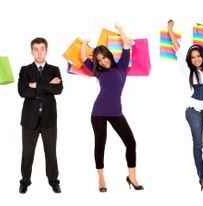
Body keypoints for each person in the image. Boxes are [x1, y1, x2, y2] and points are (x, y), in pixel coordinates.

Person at [80, 24, 143, 192]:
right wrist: (83, 44)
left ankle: (132, 177)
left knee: (131, 142)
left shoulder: (121, 64)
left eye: (104, 58)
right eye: (99, 60)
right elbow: (84, 59)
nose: (102, 61)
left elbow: (126, 45)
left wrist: (121, 29)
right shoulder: (97, 72)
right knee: (100, 144)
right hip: (98, 112)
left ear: (108, 55)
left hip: (116, 112)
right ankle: (101, 179)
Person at [167, 17, 203, 192]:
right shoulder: (188, 71)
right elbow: (177, 48)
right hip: (193, 110)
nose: (196, 59)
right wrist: (170, 29)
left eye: (198, 56)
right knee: (198, 145)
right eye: (192, 57)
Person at [18, 37, 63, 194]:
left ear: (46, 50)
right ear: (31, 51)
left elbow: (58, 90)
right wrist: (47, 86)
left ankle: (53, 181)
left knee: (51, 153)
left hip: (49, 119)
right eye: (35, 49)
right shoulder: (25, 70)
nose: (39, 52)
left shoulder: (54, 69)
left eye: (42, 49)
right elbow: (22, 92)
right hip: (29, 120)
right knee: (27, 153)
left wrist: (35, 85)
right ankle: (25, 181)